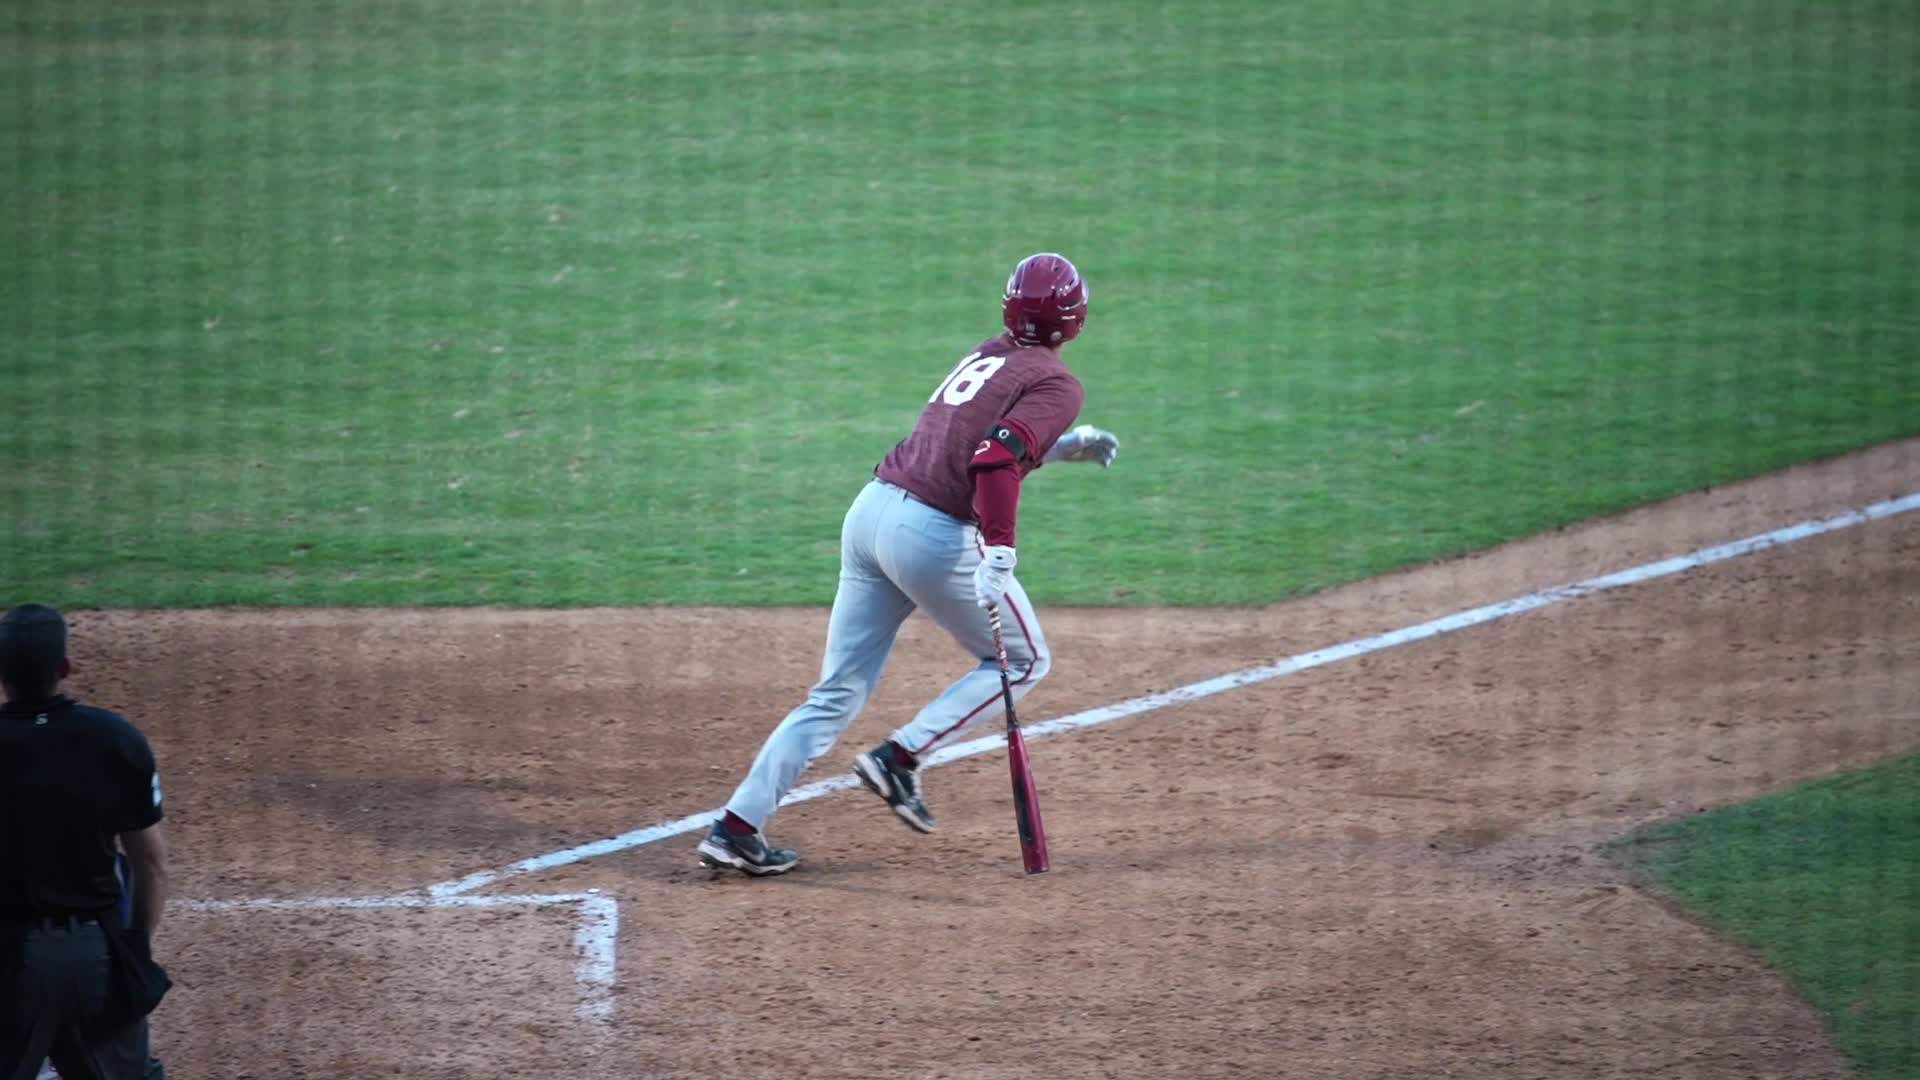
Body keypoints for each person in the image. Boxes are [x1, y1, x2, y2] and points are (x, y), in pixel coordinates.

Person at [697, 253, 1120, 876]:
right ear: (1076, 318)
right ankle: (900, 757)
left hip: (869, 515)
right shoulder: (1060, 384)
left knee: (835, 692)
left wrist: (1059, 449)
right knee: (1027, 661)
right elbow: (992, 462)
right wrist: (999, 552)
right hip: (931, 535)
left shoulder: (988, 353)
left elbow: (971, 442)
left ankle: (735, 829)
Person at [1, 604, 170, 1079]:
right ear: (64, 668)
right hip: (92, 958)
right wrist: (133, 949)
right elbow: (152, 865)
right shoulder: (113, 739)